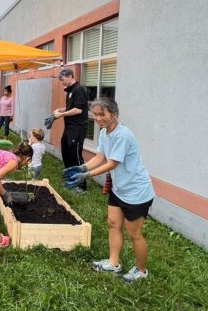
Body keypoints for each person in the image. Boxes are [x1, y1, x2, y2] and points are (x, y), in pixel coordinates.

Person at [64, 98, 155, 283]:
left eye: (102, 114)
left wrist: (87, 176)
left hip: (136, 192)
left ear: (114, 114)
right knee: (113, 224)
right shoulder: (106, 133)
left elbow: (113, 163)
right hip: (119, 189)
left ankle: (141, 271)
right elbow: (100, 156)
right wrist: (83, 168)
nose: (98, 118)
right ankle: (114, 264)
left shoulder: (123, 135)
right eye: (95, 114)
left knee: (134, 233)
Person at [53, 68, 89, 194]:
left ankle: (81, 186)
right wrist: (61, 110)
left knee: (76, 156)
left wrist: (60, 115)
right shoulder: (70, 91)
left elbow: (78, 110)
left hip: (77, 128)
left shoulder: (80, 89)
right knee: (67, 153)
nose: (60, 81)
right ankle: (71, 180)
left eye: (61, 79)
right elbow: (71, 107)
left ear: (69, 76)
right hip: (69, 128)